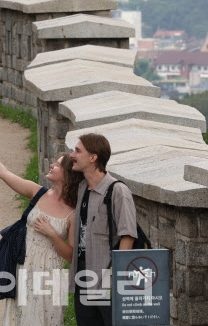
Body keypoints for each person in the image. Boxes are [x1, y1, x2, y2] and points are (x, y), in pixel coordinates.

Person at [0, 130, 84, 326]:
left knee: (48, 320)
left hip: (50, 274)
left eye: (57, 164)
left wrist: (52, 234)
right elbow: (4, 173)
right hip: (24, 265)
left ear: (68, 175)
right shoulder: (38, 193)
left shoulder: (73, 212)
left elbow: (71, 256)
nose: (52, 165)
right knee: (20, 318)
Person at [68, 133, 138, 326]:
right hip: (83, 277)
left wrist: (118, 279)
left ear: (93, 157)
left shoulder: (118, 191)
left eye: (77, 151)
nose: (72, 155)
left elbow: (128, 235)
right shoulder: (82, 188)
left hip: (107, 280)